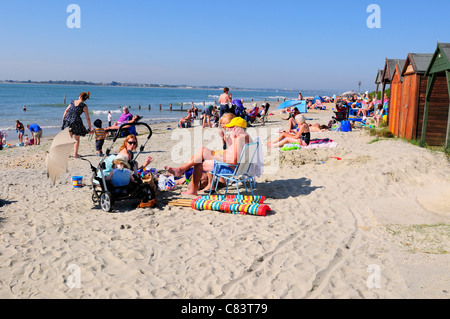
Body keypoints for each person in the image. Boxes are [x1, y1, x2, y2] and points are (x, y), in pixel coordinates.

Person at [165, 117, 251, 196]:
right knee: (202, 153)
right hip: (239, 167)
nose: (229, 130)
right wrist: (225, 142)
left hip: (231, 168)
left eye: (231, 128)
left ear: (236, 128)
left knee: (199, 163)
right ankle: (181, 170)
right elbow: (235, 153)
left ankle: (190, 186)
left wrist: (217, 157)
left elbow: (233, 160)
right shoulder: (245, 137)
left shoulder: (240, 139)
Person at [62, 92, 92, 157]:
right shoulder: (84, 106)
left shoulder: (73, 102)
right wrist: (89, 127)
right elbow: (88, 118)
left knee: (68, 138)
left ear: (80, 96)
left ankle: (66, 154)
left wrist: (63, 118)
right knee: (76, 138)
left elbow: (66, 110)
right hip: (76, 121)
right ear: (85, 99)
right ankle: (75, 154)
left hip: (68, 120)